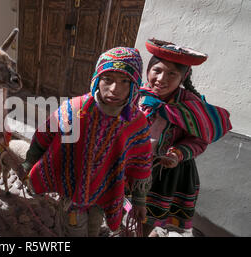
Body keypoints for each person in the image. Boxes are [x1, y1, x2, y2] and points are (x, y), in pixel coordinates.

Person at [20, 47, 153, 236]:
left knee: (94, 228)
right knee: (72, 230)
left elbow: (141, 163)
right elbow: (45, 134)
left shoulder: (135, 122)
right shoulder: (73, 108)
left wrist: (140, 200)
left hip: (104, 193)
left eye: (124, 81)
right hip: (71, 194)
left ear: (134, 84)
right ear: (97, 79)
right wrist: (29, 162)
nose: (115, 89)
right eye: (108, 79)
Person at [138, 38, 232, 236]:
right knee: (131, 206)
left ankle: (148, 232)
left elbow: (198, 139)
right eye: (157, 70)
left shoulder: (189, 104)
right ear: (148, 70)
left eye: (171, 74)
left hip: (167, 172)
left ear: (183, 78)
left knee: (152, 213)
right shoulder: (137, 95)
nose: (162, 79)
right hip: (136, 164)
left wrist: (177, 153)